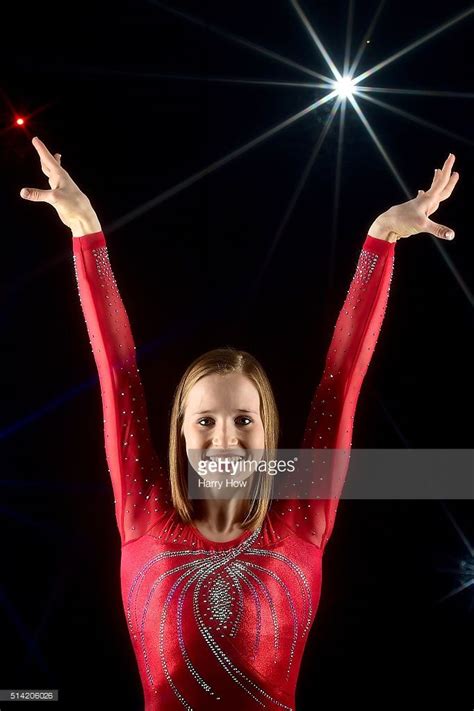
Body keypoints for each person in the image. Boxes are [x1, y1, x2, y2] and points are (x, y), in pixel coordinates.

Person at [20, 136, 459, 709]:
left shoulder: (302, 512)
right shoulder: (143, 507)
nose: (225, 437)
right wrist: (86, 233)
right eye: (205, 421)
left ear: (269, 435)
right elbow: (118, 374)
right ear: (179, 434)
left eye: (243, 420)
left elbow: (341, 380)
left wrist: (381, 241)